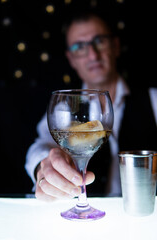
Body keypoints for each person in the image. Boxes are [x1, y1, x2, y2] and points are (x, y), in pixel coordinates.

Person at [25, 10, 157, 201]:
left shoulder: (153, 100)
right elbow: (40, 145)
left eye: (99, 41)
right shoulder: (62, 108)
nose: (92, 55)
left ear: (116, 46)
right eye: (79, 47)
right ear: (71, 59)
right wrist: (43, 166)